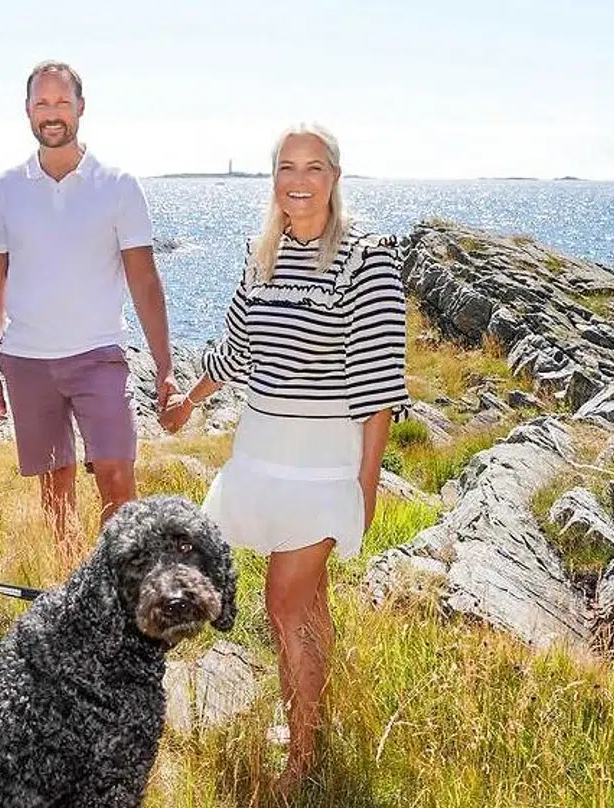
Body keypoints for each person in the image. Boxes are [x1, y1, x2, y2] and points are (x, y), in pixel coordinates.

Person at [159, 123, 410, 791]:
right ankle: (314, 729)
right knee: (308, 603)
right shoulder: (260, 251)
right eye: (287, 168)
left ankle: (298, 764)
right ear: (274, 178)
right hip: (260, 453)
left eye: (314, 167)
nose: (299, 181)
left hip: (325, 462)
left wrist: (366, 483)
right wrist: (190, 395)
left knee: (282, 601)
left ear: (335, 176)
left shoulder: (367, 258)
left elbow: (381, 383)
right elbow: (239, 346)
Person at [0, 60, 176, 557]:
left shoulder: (118, 185)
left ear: (81, 108)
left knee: (116, 475)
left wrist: (166, 367)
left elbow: (145, 281)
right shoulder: (4, 190)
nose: (52, 113)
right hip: (27, 360)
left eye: (61, 102)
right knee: (55, 483)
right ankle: (72, 587)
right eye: (42, 103)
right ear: (27, 110)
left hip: (99, 356)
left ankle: (122, 588)